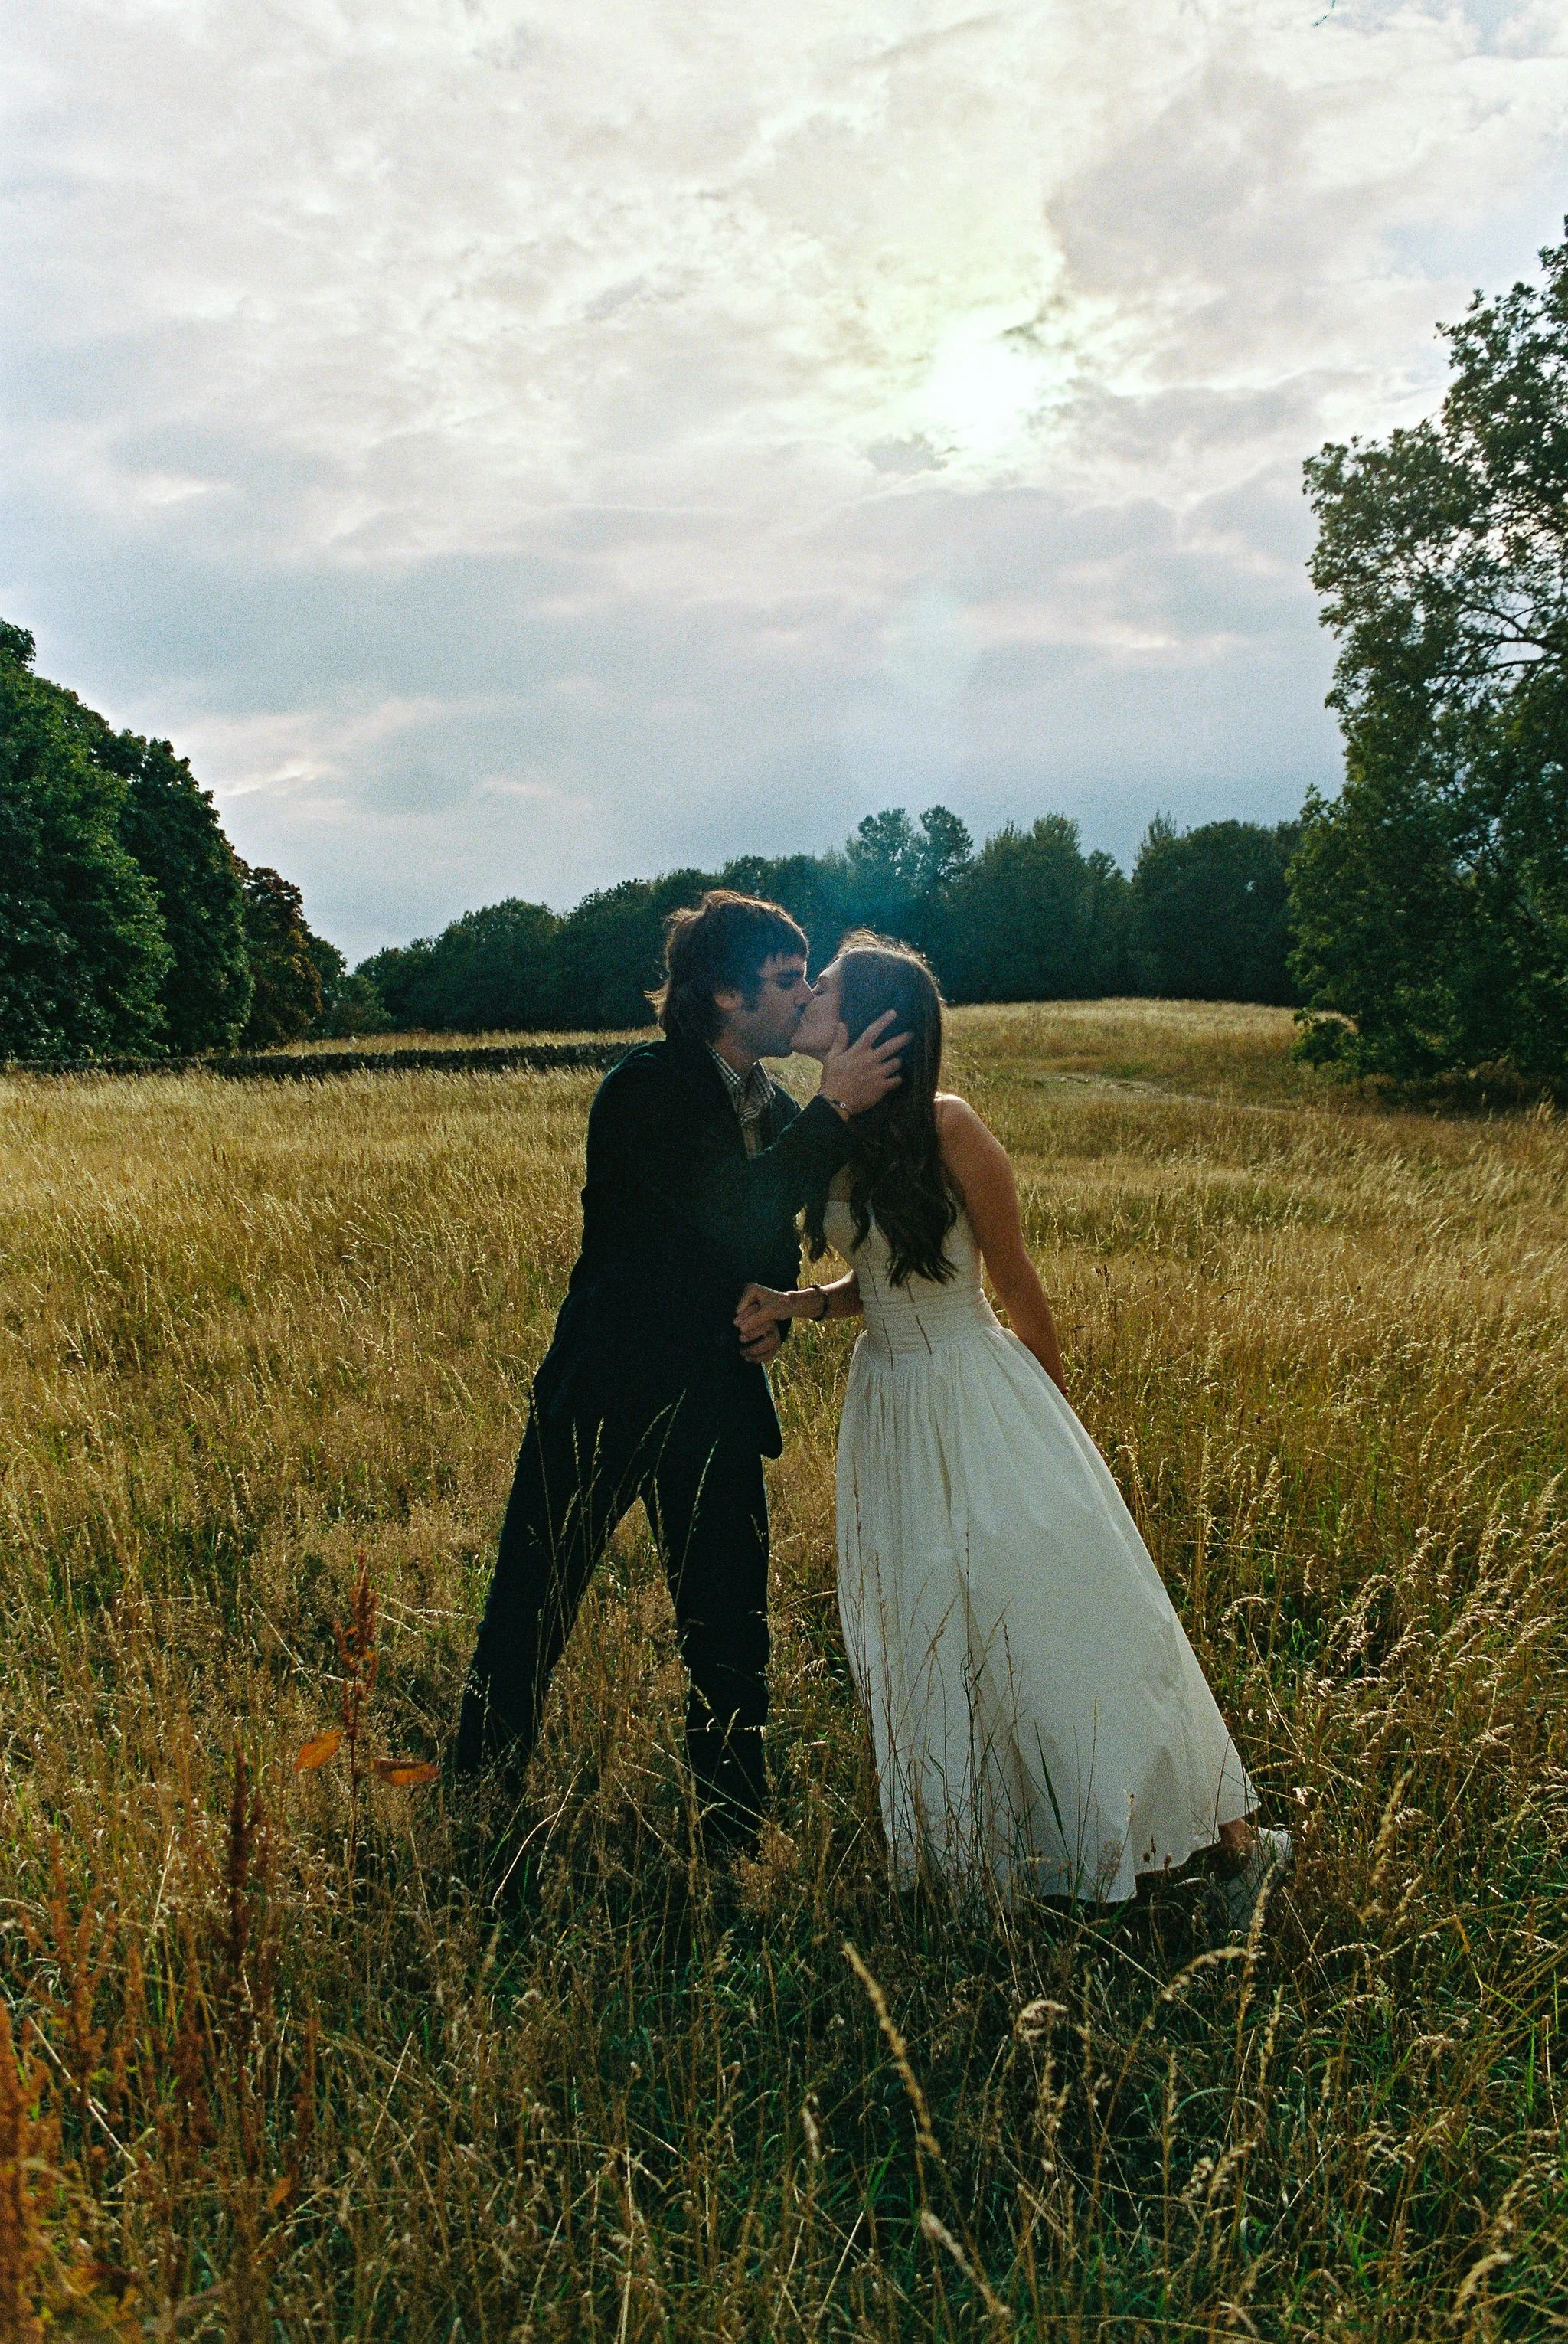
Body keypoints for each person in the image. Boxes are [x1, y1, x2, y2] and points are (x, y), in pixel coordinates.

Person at [735, 936, 1291, 1927]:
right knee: (930, 1626)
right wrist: (800, 1304)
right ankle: (998, 1856)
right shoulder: (837, 1133)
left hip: (977, 1390)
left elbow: (1017, 1286)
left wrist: (1055, 1441)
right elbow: (883, 1280)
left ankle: (1229, 1846)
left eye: (825, 986)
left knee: (1061, 1616)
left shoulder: (949, 1126)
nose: (807, 992)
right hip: (891, 1407)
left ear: (872, 1020)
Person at [453, 891, 906, 1855]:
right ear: (722, 996)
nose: (801, 996)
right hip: (605, 1396)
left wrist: (771, 1318)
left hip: (716, 1406)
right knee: (531, 1605)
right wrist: (830, 1114)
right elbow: (729, 1204)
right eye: (785, 982)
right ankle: (476, 1805)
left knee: (731, 1634)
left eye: (801, 979)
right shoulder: (642, 1090)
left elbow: (761, 1248)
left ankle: (734, 1841)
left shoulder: (778, 1108)